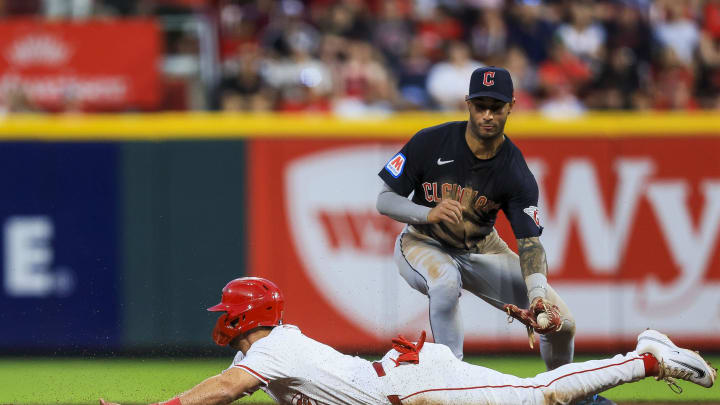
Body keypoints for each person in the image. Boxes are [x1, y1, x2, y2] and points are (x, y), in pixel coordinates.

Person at [99, 277, 716, 405]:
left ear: (242, 317)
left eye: (227, 313)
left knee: (539, 400)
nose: (221, 321)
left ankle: (649, 355)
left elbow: (222, 392)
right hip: (405, 387)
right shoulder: (271, 350)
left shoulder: (270, 352)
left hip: (414, 386)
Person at [375, 65, 606, 404]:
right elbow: (384, 200)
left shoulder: (514, 170)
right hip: (422, 242)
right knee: (444, 284)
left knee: (563, 323)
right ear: (467, 104)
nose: (487, 115)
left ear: (511, 106)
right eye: (479, 105)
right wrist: (428, 213)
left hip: (482, 248)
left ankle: (565, 395)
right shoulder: (430, 140)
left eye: (495, 107)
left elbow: (529, 242)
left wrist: (537, 295)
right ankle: (451, 386)